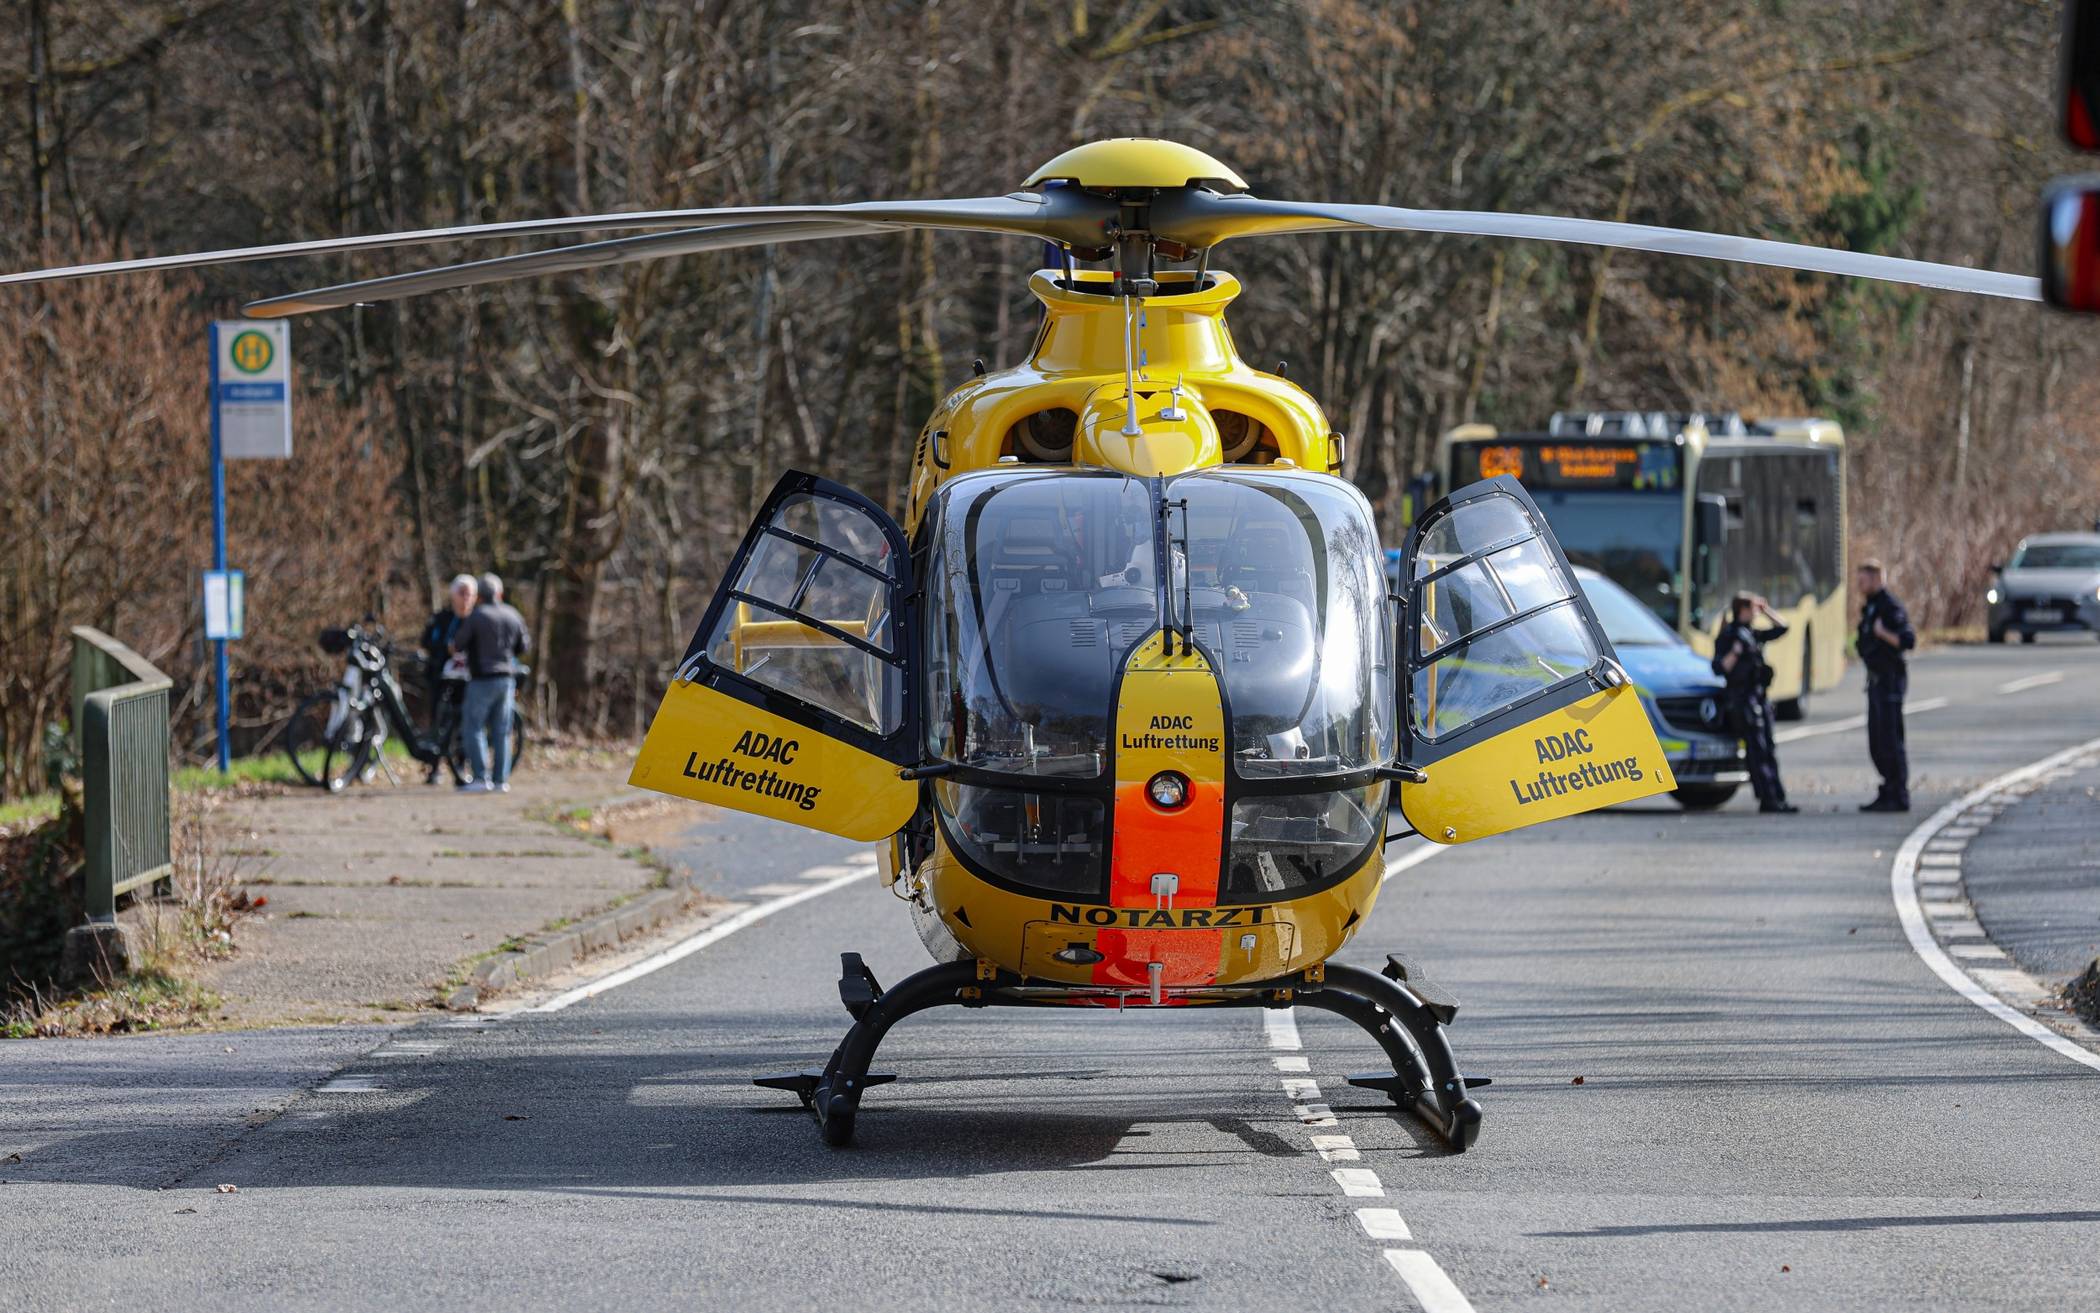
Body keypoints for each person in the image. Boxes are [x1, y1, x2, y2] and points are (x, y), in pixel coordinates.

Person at [1713, 592, 1796, 814]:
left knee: (1768, 749)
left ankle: (1777, 797)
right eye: (1753, 609)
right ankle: (1768, 799)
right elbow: (1718, 668)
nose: (1756, 613)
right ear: (1743, 610)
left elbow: (1783, 628)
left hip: (1759, 699)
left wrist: (1766, 609)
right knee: (1758, 752)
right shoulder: (1731, 635)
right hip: (1742, 700)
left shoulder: (1752, 633)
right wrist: (1735, 653)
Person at [452, 572, 529, 793]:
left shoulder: (477, 616)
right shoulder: (513, 614)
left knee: (473, 727)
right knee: (502, 730)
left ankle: (479, 777)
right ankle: (500, 780)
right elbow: (523, 646)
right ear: (500, 594)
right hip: (506, 679)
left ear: (479, 597)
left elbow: (458, 644)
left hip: (481, 679)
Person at [1855, 559, 1916, 812]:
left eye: (1863, 579)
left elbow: (1908, 640)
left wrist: (1883, 634)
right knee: (1877, 740)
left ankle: (1899, 793)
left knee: (1891, 739)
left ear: (1877, 578)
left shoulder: (1889, 607)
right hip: (1876, 680)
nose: (1859, 585)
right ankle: (1887, 789)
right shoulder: (1870, 607)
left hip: (1890, 679)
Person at [419, 574, 479, 785]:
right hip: (441, 679)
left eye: (469, 594)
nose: (465, 598)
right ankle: (434, 767)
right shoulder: (442, 618)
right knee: (438, 722)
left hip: (469, 681)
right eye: (461, 593)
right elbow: (426, 641)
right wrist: (445, 649)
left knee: (463, 723)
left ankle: (461, 764)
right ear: (453, 596)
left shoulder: (478, 619)